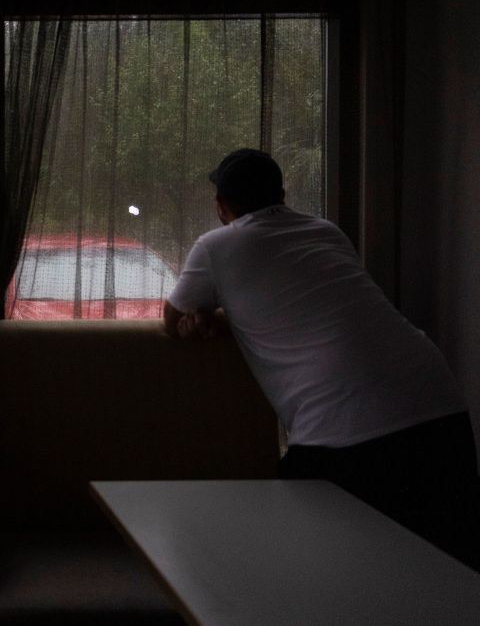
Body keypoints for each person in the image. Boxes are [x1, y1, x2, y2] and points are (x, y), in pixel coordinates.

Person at [164, 148, 478, 568]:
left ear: (221, 206)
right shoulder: (325, 231)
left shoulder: (216, 246)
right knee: (450, 572)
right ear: (283, 193)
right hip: (437, 403)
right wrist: (224, 320)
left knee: (319, 573)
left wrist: (203, 319)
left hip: (344, 429)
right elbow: (307, 306)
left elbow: (172, 318)